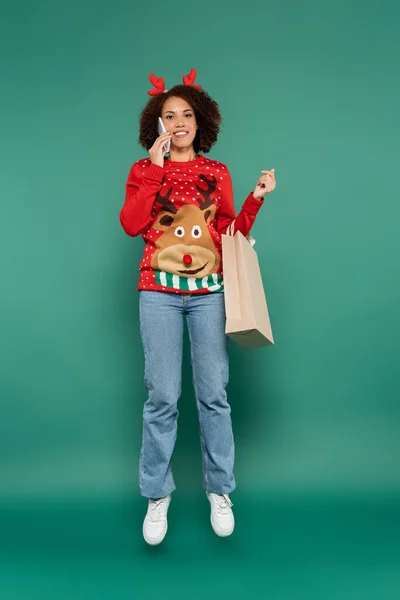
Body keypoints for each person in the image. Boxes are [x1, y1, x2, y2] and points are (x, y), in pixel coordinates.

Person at [119, 69, 276, 545]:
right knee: (162, 397)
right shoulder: (143, 170)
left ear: (200, 120)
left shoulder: (216, 172)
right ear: (158, 124)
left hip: (210, 293)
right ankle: (156, 496)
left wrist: (255, 200)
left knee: (214, 395)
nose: (179, 122)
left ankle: (220, 490)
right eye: (170, 116)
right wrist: (152, 168)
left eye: (187, 114)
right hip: (158, 292)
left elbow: (228, 232)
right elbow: (131, 224)